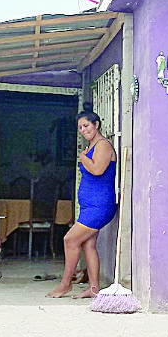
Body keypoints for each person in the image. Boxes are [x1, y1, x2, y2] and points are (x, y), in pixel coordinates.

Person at [47, 110, 116, 298]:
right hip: (90, 206)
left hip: (99, 205)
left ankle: (65, 284)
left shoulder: (102, 145)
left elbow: (97, 169)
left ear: (96, 125)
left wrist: (83, 157)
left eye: (86, 125)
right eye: (80, 127)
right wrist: (85, 155)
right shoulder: (92, 146)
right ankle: (94, 289)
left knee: (70, 240)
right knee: (87, 245)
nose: (83, 130)